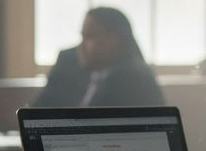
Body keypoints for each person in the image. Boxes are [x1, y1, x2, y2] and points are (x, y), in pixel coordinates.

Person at [32, 7, 163, 108]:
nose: (81, 46)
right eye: (82, 36)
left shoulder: (136, 79)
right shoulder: (68, 62)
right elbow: (36, 111)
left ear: (115, 41)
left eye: (90, 37)